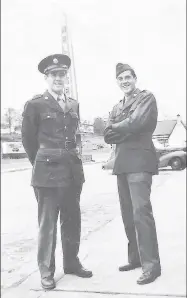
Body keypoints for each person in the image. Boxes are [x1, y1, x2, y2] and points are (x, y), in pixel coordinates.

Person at [21, 54, 92, 290]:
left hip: (72, 172)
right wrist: (41, 162)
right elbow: (28, 141)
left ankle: (72, 263)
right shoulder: (35, 104)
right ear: (46, 78)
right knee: (48, 224)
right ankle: (46, 271)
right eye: (54, 75)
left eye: (62, 74)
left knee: (72, 221)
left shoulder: (73, 104)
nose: (58, 78)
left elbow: (74, 136)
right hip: (47, 173)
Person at [104, 63, 161, 285]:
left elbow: (138, 122)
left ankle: (152, 266)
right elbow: (108, 135)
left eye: (128, 77)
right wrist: (128, 129)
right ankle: (136, 259)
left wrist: (121, 127)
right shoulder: (118, 106)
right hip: (122, 163)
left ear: (135, 78)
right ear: (117, 82)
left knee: (141, 214)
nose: (124, 81)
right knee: (128, 214)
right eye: (120, 78)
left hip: (140, 161)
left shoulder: (146, 98)